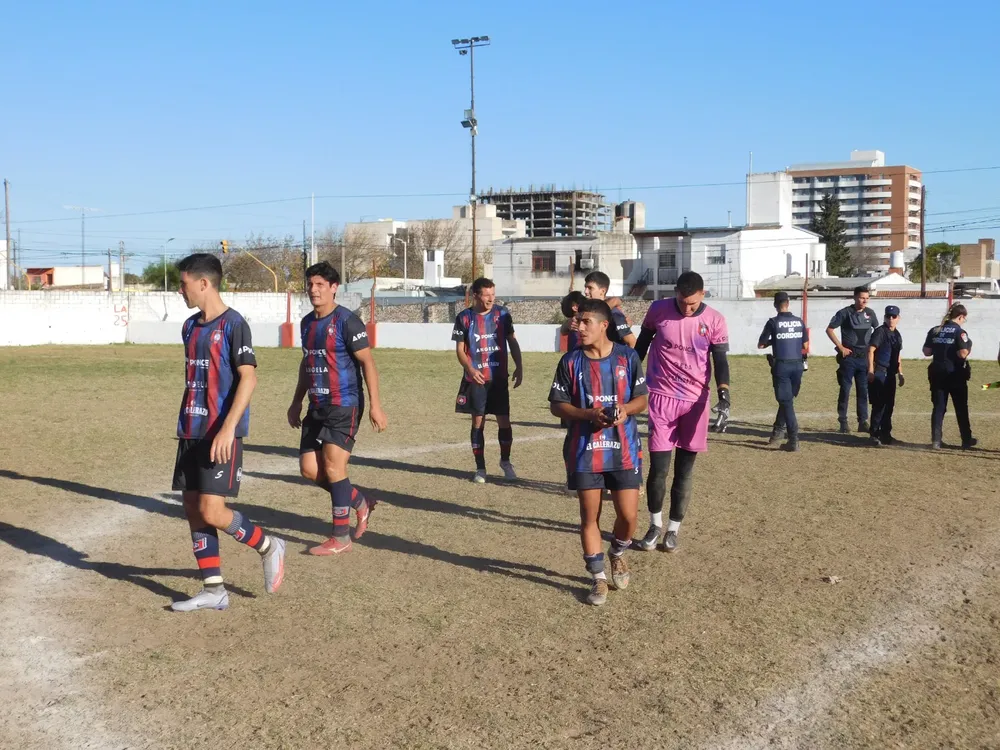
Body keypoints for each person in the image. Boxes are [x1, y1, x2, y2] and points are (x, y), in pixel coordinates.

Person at [171, 253, 285, 612]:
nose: (180, 290)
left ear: (204, 283)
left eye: (184, 283)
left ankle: (268, 545)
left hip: (221, 433)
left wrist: (228, 428)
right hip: (190, 429)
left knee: (212, 510)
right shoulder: (189, 327)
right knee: (193, 508)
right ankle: (214, 589)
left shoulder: (235, 324)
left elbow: (248, 378)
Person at [548, 298, 648, 606]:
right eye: (577, 321)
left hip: (624, 449)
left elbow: (642, 399)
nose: (579, 327)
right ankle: (598, 577)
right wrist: (588, 414)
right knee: (589, 516)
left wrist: (625, 410)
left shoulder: (627, 357)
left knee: (628, 516)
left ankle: (617, 551)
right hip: (584, 450)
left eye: (586, 322)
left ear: (604, 325)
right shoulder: (570, 361)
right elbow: (557, 405)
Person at [288, 261, 388, 556]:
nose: (314, 290)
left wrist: (376, 406)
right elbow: (306, 363)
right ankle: (359, 501)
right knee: (309, 470)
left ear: (334, 288)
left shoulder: (347, 321)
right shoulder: (307, 323)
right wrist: (296, 400)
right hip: (316, 405)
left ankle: (340, 537)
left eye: (320, 284)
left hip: (345, 403)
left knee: (334, 467)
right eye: (310, 284)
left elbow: (368, 363)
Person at [634, 271, 730, 553]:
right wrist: (629, 379)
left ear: (702, 295)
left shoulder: (715, 320)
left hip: (695, 402)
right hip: (661, 397)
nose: (686, 308)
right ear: (675, 292)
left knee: (684, 472)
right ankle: (654, 526)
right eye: (682, 302)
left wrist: (724, 394)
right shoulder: (658, 310)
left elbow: (721, 359)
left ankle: (673, 530)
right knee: (659, 469)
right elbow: (641, 345)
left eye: (692, 303)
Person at [452, 278, 523, 483]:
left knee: (504, 421)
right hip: (476, 379)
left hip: (498, 378)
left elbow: (512, 341)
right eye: (486, 295)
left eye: (493, 294)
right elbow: (459, 350)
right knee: (478, 422)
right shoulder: (464, 317)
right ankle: (480, 468)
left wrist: (519, 366)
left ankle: (505, 462)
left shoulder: (502, 314)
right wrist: (470, 369)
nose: (491, 298)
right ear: (475, 295)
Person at [757, 291, 808, 451]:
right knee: (787, 400)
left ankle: (793, 439)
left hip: (782, 366)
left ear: (775, 305)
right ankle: (777, 432)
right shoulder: (799, 321)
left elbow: (761, 345)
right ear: (788, 303)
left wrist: (774, 340)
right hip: (798, 365)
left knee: (786, 402)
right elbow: (805, 346)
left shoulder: (773, 322)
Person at [826, 286, 879, 433]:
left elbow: (877, 332)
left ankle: (863, 421)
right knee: (845, 389)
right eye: (862, 298)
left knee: (863, 390)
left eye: (867, 298)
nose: (864, 301)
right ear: (855, 297)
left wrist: (873, 351)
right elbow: (829, 329)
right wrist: (840, 347)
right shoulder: (845, 313)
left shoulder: (870, 313)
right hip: (849, 358)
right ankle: (843, 421)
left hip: (864, 359)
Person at [923, 303, 976, 450]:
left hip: (937, 374)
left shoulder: (935, 330)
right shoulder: (960, 332)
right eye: (964, 319)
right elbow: (962, 354)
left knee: (939, 407)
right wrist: (968, 347)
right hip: (955, 374)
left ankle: (936, 440)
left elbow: (927, 351)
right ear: (960, 317)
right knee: (961, 408)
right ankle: (966, 439)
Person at [867, 305, 905, 446]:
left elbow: (897, 355)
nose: (891, 319)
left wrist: (900, 373)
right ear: (884, 317)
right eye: (888, 316)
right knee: (879, 405)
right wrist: (871, 370)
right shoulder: (880, 332)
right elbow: (870, 350)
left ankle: (886, 434)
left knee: (889, 405)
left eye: (893, 316)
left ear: (898, 318)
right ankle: (874, 434)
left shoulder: (897, 335)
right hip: (880, 372)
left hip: (890, 374)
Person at [584, 271, 637, 347]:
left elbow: (632, 342)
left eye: (590, 288)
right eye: (585, 287)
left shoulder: (614, 313)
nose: (585, 292)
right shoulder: (587, 309)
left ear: (602, 291)